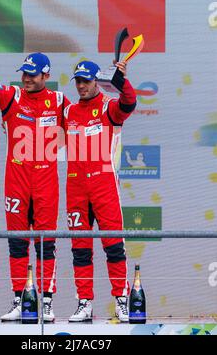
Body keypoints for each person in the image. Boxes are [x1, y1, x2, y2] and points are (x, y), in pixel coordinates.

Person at [0, 33, 70, 322]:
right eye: (24, 74)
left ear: (46, 75)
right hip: (16, 182)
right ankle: (21, 299)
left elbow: (89, 116)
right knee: (17, 244)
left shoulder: (59, 101)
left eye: (32, 75)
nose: (27, 79)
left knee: (46, 244)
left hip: (46, 183)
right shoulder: (11, 97)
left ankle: (45, 301)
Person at [64, 60, 136, 322]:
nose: (81, 86)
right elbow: (38, 121)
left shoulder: (108, 107)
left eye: (86, 81)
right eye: (78, 82)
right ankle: (84, 303)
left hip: (104, 186)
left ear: (96, 81)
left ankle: (121, 301)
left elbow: (129, 102)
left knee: (114, 246)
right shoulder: (68, 111)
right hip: (75, 187)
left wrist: (121, 80)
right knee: (80, 249)